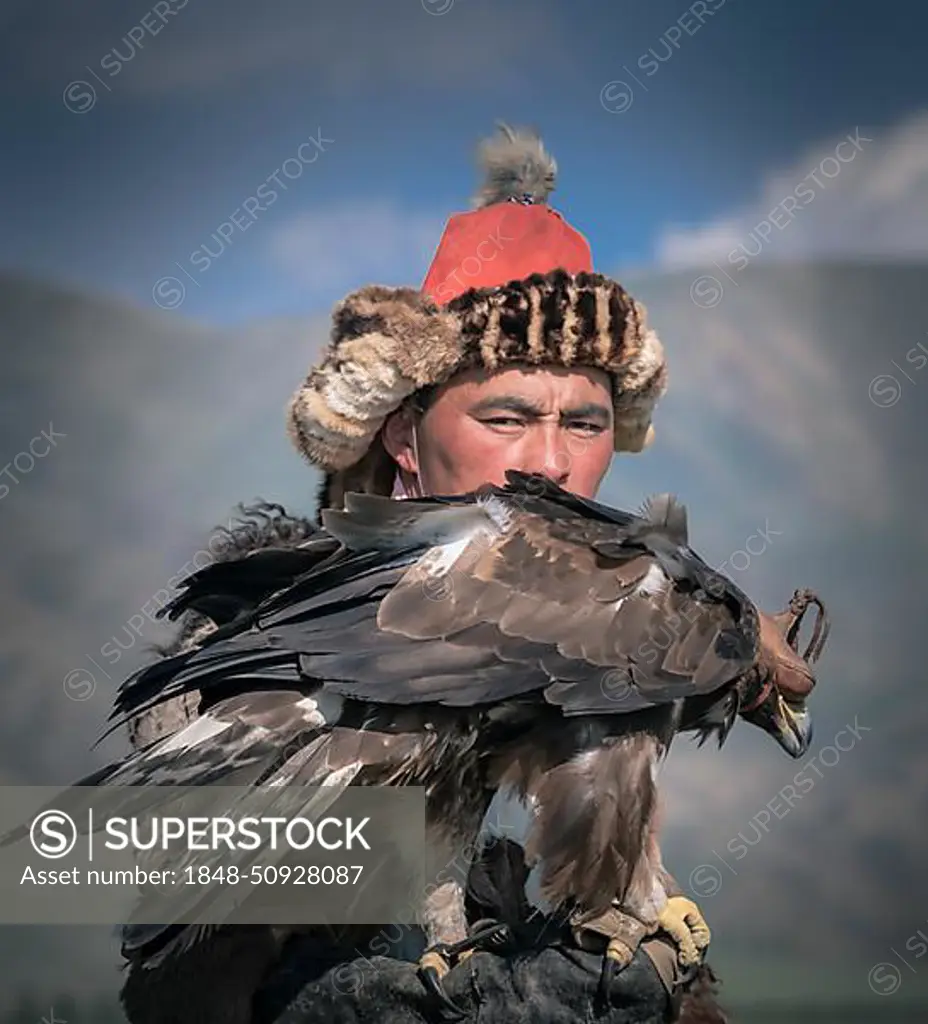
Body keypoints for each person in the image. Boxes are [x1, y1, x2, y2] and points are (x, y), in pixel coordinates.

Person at [120, 123, 826, 1024]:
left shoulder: (618, 614)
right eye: (505, 416)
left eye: (583, 423)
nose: (548, 465)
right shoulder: (254, 645)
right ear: (401, 437)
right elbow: (142, 921)